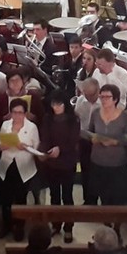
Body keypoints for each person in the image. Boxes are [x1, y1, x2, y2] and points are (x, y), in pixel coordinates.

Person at [38, 90, 80, 243]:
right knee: (54, 196)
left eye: (59, 104)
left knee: (67, 196)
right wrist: (44, 151)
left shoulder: (73, 119)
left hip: (67, 162)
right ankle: (56, 224)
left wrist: (59, 149)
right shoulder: (48, 118)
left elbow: (73, 140)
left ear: (65, 104)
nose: (56, 107)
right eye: (53, 104)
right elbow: (45, 137)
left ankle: (68, 228)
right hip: (52, 163)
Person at [0, 98, 40, 241]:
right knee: (5, 198)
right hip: (7, 165)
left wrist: (25, 147)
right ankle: (6, 224)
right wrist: (1, 146)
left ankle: (19, 226)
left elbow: (36, 148)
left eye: (20, 112)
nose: (17, 115)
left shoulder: (32, 127)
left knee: (21, 198)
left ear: (25, 113)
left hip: (23, 166)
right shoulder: (5, 124)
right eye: (14, 112)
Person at [86, 84, 127, 206]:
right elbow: (90, 131)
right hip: (98, 160)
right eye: (102, 97)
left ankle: (116, 220)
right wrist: (93, 138)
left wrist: (115, 142)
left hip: (116, 162)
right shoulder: (96, 113)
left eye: (107, 97)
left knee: (116, 194)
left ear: (115, 99)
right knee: (102, 192)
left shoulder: (124, 117)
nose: (104, 100)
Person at [74, 78, 100, 204]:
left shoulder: (103, 103)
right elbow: (77, 119)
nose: (88, 98)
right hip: (84, 139)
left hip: (99, 141)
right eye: (86, 95)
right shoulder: (80, 100)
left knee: (98, 172)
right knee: (86, 171)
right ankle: (88, 200)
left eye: (91, 95)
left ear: (98, 91)